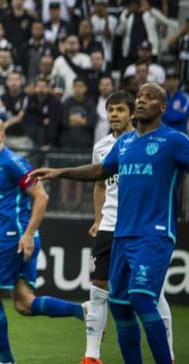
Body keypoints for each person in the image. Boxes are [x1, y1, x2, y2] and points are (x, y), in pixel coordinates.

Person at [30, 83, 182, 364]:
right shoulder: (124, 143)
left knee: (141, 298)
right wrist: (59, 172)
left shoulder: (174, 140)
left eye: (149, 97)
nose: (141, 100)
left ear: (162, 107)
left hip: (154, 233)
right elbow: (99, 171)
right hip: (121, 234)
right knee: (120, 306)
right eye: (140, 96)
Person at [0, 116, 85, 364]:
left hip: (13, 238)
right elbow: (8, 202)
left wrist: (28, 233)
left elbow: (41, 196)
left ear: (1, 135)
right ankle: (82, 310)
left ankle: (4, 359)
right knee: (24, 304)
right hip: (13, 235)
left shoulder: (12, 162)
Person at [82, 91, 174, 364]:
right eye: (110, 110)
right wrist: (98, 219)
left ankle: (167, 353)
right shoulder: (102, 146)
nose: (114, 114)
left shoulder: (148, 142)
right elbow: (99, 183)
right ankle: (91, 355)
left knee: (149, 295)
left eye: (120, 109)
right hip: (110, 226)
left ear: (131, 113)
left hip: (141, 227)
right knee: (100, 289)